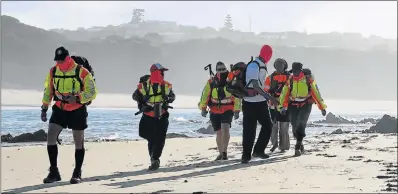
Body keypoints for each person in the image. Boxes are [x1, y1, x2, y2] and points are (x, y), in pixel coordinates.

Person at [41, 46, 97, 184]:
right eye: (57, 61)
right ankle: (54, 172)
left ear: (67, 58)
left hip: (77, 109)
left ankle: (77, 172)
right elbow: (48, 90)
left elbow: (92, 91)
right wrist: (44, 107)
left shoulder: (81, 71)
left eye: (61, 60)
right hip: (60, 108)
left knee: (78, 141)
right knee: (51, 136)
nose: (59, 63)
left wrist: (78, 98)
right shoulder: (53, 71)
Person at [132, 63, 175, 170]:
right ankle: (154, 157)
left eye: (163, 72)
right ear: (156, 72)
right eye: (161, 72)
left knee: (160, 139)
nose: (163, 74)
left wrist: (168, 100)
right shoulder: (144, 85)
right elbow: (135, 96)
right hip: (147, 115)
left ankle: (155, 159)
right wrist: (142, 105)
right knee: (145, 135)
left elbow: (172, 96)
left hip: (162, 115)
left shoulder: (166, 85)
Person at [278, 62, 327, 157]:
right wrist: (282, 107)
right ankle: (300, 143)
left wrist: (322, 108)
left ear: (301, 71)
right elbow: (284, 94)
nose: (295, 73)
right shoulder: (290, 80)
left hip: (305, 104)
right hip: (293, 104)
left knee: (301, 123)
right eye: (294, 71)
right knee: (294, 124)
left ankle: (297, 147)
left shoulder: (308, 80)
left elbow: (316, 93)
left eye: (297, 71)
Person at [241, 45, 278, 164]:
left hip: (261, 102)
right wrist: (270, 97)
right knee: (249, 130)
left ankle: (258, 150)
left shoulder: (262, 65)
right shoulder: (254, 65)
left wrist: (266, 97)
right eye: (270, 54)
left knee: (268, 126)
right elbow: (255, 86)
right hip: (250, 102)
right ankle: (246, 156)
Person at [198, 62, 241, 160]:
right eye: (219, 69)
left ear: (226, 69)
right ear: (216, 70)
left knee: (225, 128)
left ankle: (225, 152)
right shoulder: (211, 82)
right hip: (214, 109)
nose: (222, 71)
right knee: (219, 132)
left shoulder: (231, 80)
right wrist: (203, 108)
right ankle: (221, 152)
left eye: (223, 69)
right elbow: (205, 95)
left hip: (228, 108)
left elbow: (237, 96)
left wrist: (237, 110)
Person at [264, 58, 291, 153]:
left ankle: (284, 146)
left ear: (285, 65)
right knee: (273, 125)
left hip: (285, 105)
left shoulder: (290, 77)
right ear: (274, 66)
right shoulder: (270, 78)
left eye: (281, 64)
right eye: (277, 64)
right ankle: (274, 144)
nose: (279, 66)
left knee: (284, 125)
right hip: (272, 104)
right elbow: (265, 91)